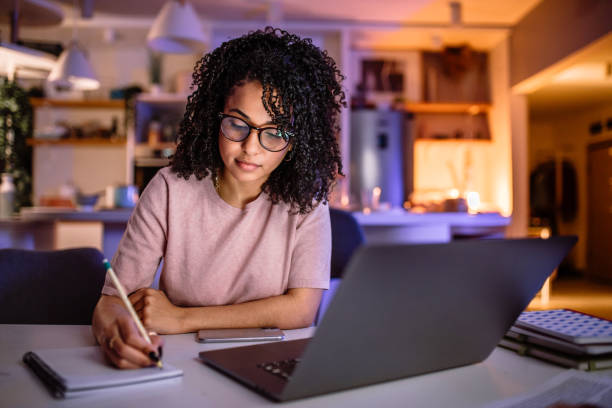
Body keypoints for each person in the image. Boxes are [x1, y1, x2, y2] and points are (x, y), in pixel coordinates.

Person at [92, 27, 345, 369]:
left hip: (272, 359)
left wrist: (182, 318)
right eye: (237, 124)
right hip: (181, 361)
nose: (251, 147)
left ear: (297, 141)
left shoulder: (306, 202)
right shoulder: (170, 189)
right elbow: (113, 302)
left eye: (274, 132)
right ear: (215, 118)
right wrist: (115, 336)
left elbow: (301, 310)